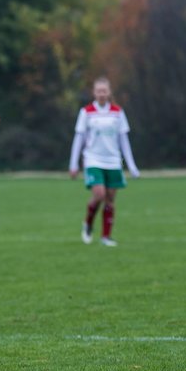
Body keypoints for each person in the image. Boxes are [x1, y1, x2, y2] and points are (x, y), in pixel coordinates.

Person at [68, 77, 139, 245]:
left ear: (109, 92)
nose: (101, 94)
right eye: (98, 91)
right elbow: (79, 139)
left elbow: (124, 140)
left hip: (113, 161)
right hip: (93, 160)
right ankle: (88, 222)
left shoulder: (118, 112)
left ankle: (106, 237)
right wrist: (73, 163)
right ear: (94, 92)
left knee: (110, 199)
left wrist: (132, 165)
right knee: (99, 194)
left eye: (104, 91)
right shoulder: (86, 112)